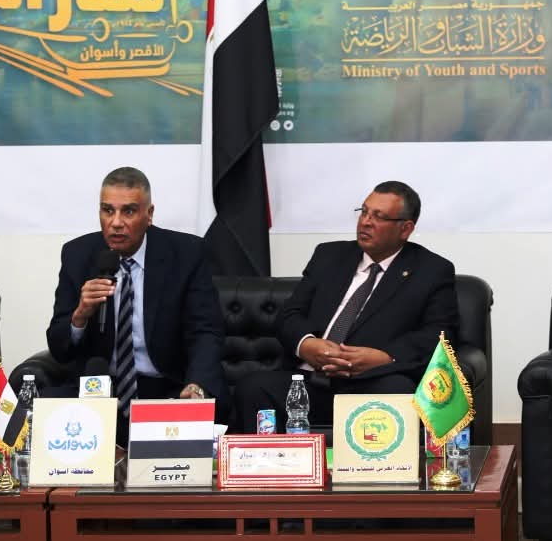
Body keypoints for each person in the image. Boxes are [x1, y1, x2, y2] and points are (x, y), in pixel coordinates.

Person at [231, 180, 459, 432]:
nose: (366, 222)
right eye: (364, 212)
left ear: (405, 229)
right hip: (310, 380)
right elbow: (290, 314)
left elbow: (440, 334)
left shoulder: (431, 270)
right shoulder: (329, 256)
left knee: (398, 391)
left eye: (379, 216)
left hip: (372, 381)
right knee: (252, 388)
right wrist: (307, 344)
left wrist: (385, 357)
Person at [45, 166, 227, 427]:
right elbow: (59, 348)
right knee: (44, 408)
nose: (116, 222)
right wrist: (80, 316)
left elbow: (205, 331)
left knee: (210, 406)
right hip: (99, 391)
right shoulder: (78, 255)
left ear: (149, 214)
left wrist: (196, 384)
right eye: (108, 210)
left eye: (128, 211)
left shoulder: (186, 253)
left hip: (166, 385)